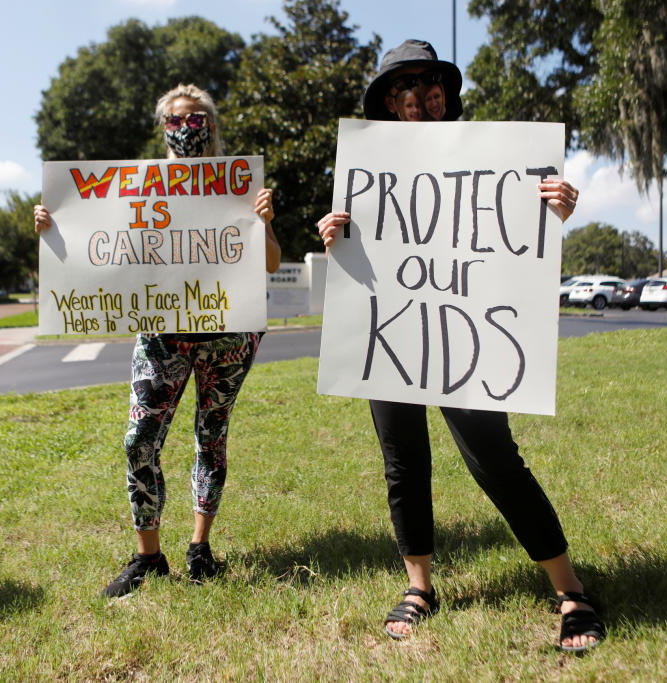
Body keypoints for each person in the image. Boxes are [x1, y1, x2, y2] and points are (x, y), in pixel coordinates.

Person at [316, 40, 605, 652]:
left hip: (466, 335)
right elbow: (357, 248)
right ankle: (419, 585)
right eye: (402, 87)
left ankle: (570, 587)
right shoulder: (368, 169)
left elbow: (513, 239)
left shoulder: (495, 157)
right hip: (393, 331)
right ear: (388, 103)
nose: (417, 94)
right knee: (403, 460)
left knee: (494, 457)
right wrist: (333, 233)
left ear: (446, 93)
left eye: (428, 81)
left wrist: (557, 209)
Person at [35, 83, 281, 597]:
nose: (185, 129)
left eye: (195, 120)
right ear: (162, 128)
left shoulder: (236, 187)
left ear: (211, 126)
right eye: (175, 120)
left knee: (210, 438)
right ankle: (148, 558)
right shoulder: (133, 188)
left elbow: (271, 263)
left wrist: (264, 225)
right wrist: (55, 228)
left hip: (227, 335)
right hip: (162, 335)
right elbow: (94, 248)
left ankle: (199, 549)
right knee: (139, 441)